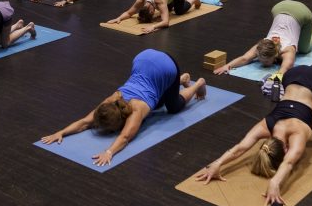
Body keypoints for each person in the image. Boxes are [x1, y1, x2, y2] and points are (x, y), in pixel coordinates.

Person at [193, 65, 312, 206]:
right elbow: (240, 148)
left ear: (284, 148)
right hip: (292, 75)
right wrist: (217, 164)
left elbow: (289, 162)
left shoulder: (296, 134)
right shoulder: (265, 126)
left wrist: (275, 182)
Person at [40, 49, 207, 166]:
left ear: (120, 122)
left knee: (173, 106)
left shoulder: (137, 110)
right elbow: (85, 122)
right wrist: (60, 132)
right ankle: (180, 79)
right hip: (143, 58)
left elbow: (125, 137)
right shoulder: (110, 102)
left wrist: (109, 152)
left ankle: (197, 83)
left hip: (166, 65)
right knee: (158, 100)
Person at [215, 0, 312, 78]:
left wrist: (272, 81)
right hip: (279, 7)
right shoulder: (261, 46)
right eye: (261, 60)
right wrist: (227, 66)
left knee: (304, 49)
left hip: (302, 12)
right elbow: (245, 58)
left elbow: (284, 69)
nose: (263, 63)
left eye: (266, 61)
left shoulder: (288, 50)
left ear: (275, 56)